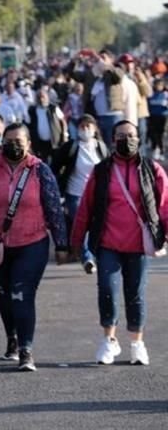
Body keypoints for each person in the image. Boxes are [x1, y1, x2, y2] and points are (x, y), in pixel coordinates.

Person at [0, 123, 68, 371]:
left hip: (32, 242)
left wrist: (62, 243)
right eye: (8, 140)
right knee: (4, 294)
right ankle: (11, 339)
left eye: (19, 141)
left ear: (29, 144)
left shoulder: (40, 171)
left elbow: (53, 206)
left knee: (21, 294)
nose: (13, 145)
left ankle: (26, 350)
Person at [70, 120, 168, 367]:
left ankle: (137, 344)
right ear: (112, 140)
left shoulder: (151, 168)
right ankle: (109, 341)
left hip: (139, 245)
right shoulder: (101, 170)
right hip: (108, 243)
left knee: (135, 295)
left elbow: (164, 204)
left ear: (139, 138)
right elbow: (86, 207)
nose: (127, 140)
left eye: (132, 135)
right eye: (122, 136)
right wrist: (76, 240)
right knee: (107, 291)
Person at [51, 115, 108, 273]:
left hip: (97, 195)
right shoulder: (71, 147)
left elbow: (110, 169)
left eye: (88, 125)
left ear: (95, 128)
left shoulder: (101, 148)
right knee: (81, 224)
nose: (85, 129)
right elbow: (54, 166)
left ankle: (95, 253)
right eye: (82, 126)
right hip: (74, 194)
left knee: (95, 225)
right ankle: (87, 257)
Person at [26, 88, 67, 164]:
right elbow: (28, 126)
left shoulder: (53, 108)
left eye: (43, 97)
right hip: (40, 143)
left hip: (55, 141)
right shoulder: (32, 110)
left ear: (47, 97)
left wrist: (64, 135)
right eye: (39, 97)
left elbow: (62, 121)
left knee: (56, 162)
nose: (41, 99)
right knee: (42, 163)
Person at [147, 78, 168, 156]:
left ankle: (161, 150)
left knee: (161, 134)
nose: (158, 86)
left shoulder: (166, 94)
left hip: (163, 117)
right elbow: (149, 105)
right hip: (153, 116)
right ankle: (155, 148)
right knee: (153, 133)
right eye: (157, 85)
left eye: (160, 85)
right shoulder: (152, 94)